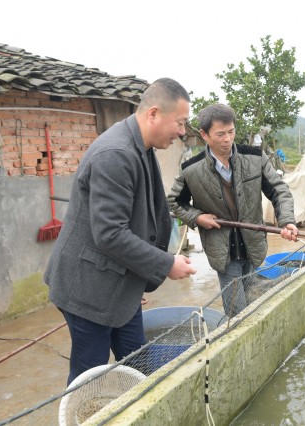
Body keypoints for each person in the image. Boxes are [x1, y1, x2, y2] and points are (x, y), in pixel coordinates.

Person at [44, 78, 197, 386]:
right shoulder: (114, 153)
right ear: (153, 113)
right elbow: (110, 234)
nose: (182, 132)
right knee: (91, 375)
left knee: (135, 357)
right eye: (180, 123)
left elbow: (141, 219)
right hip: (87, 288)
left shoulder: (142, 147)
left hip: (116, 282)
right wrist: (166, 264)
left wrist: (134, 282)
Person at [168, 103, 298, 317]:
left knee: (255, 300)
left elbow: (279, 191)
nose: (227, 139)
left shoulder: (255, 158)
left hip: (253, 243)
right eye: (220, 134)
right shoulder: (191, 170)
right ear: (204, 135)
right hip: (223, 251)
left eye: (231, 132)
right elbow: (174, 202)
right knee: (236, 313)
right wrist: (198, 217)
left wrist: (287, 221)